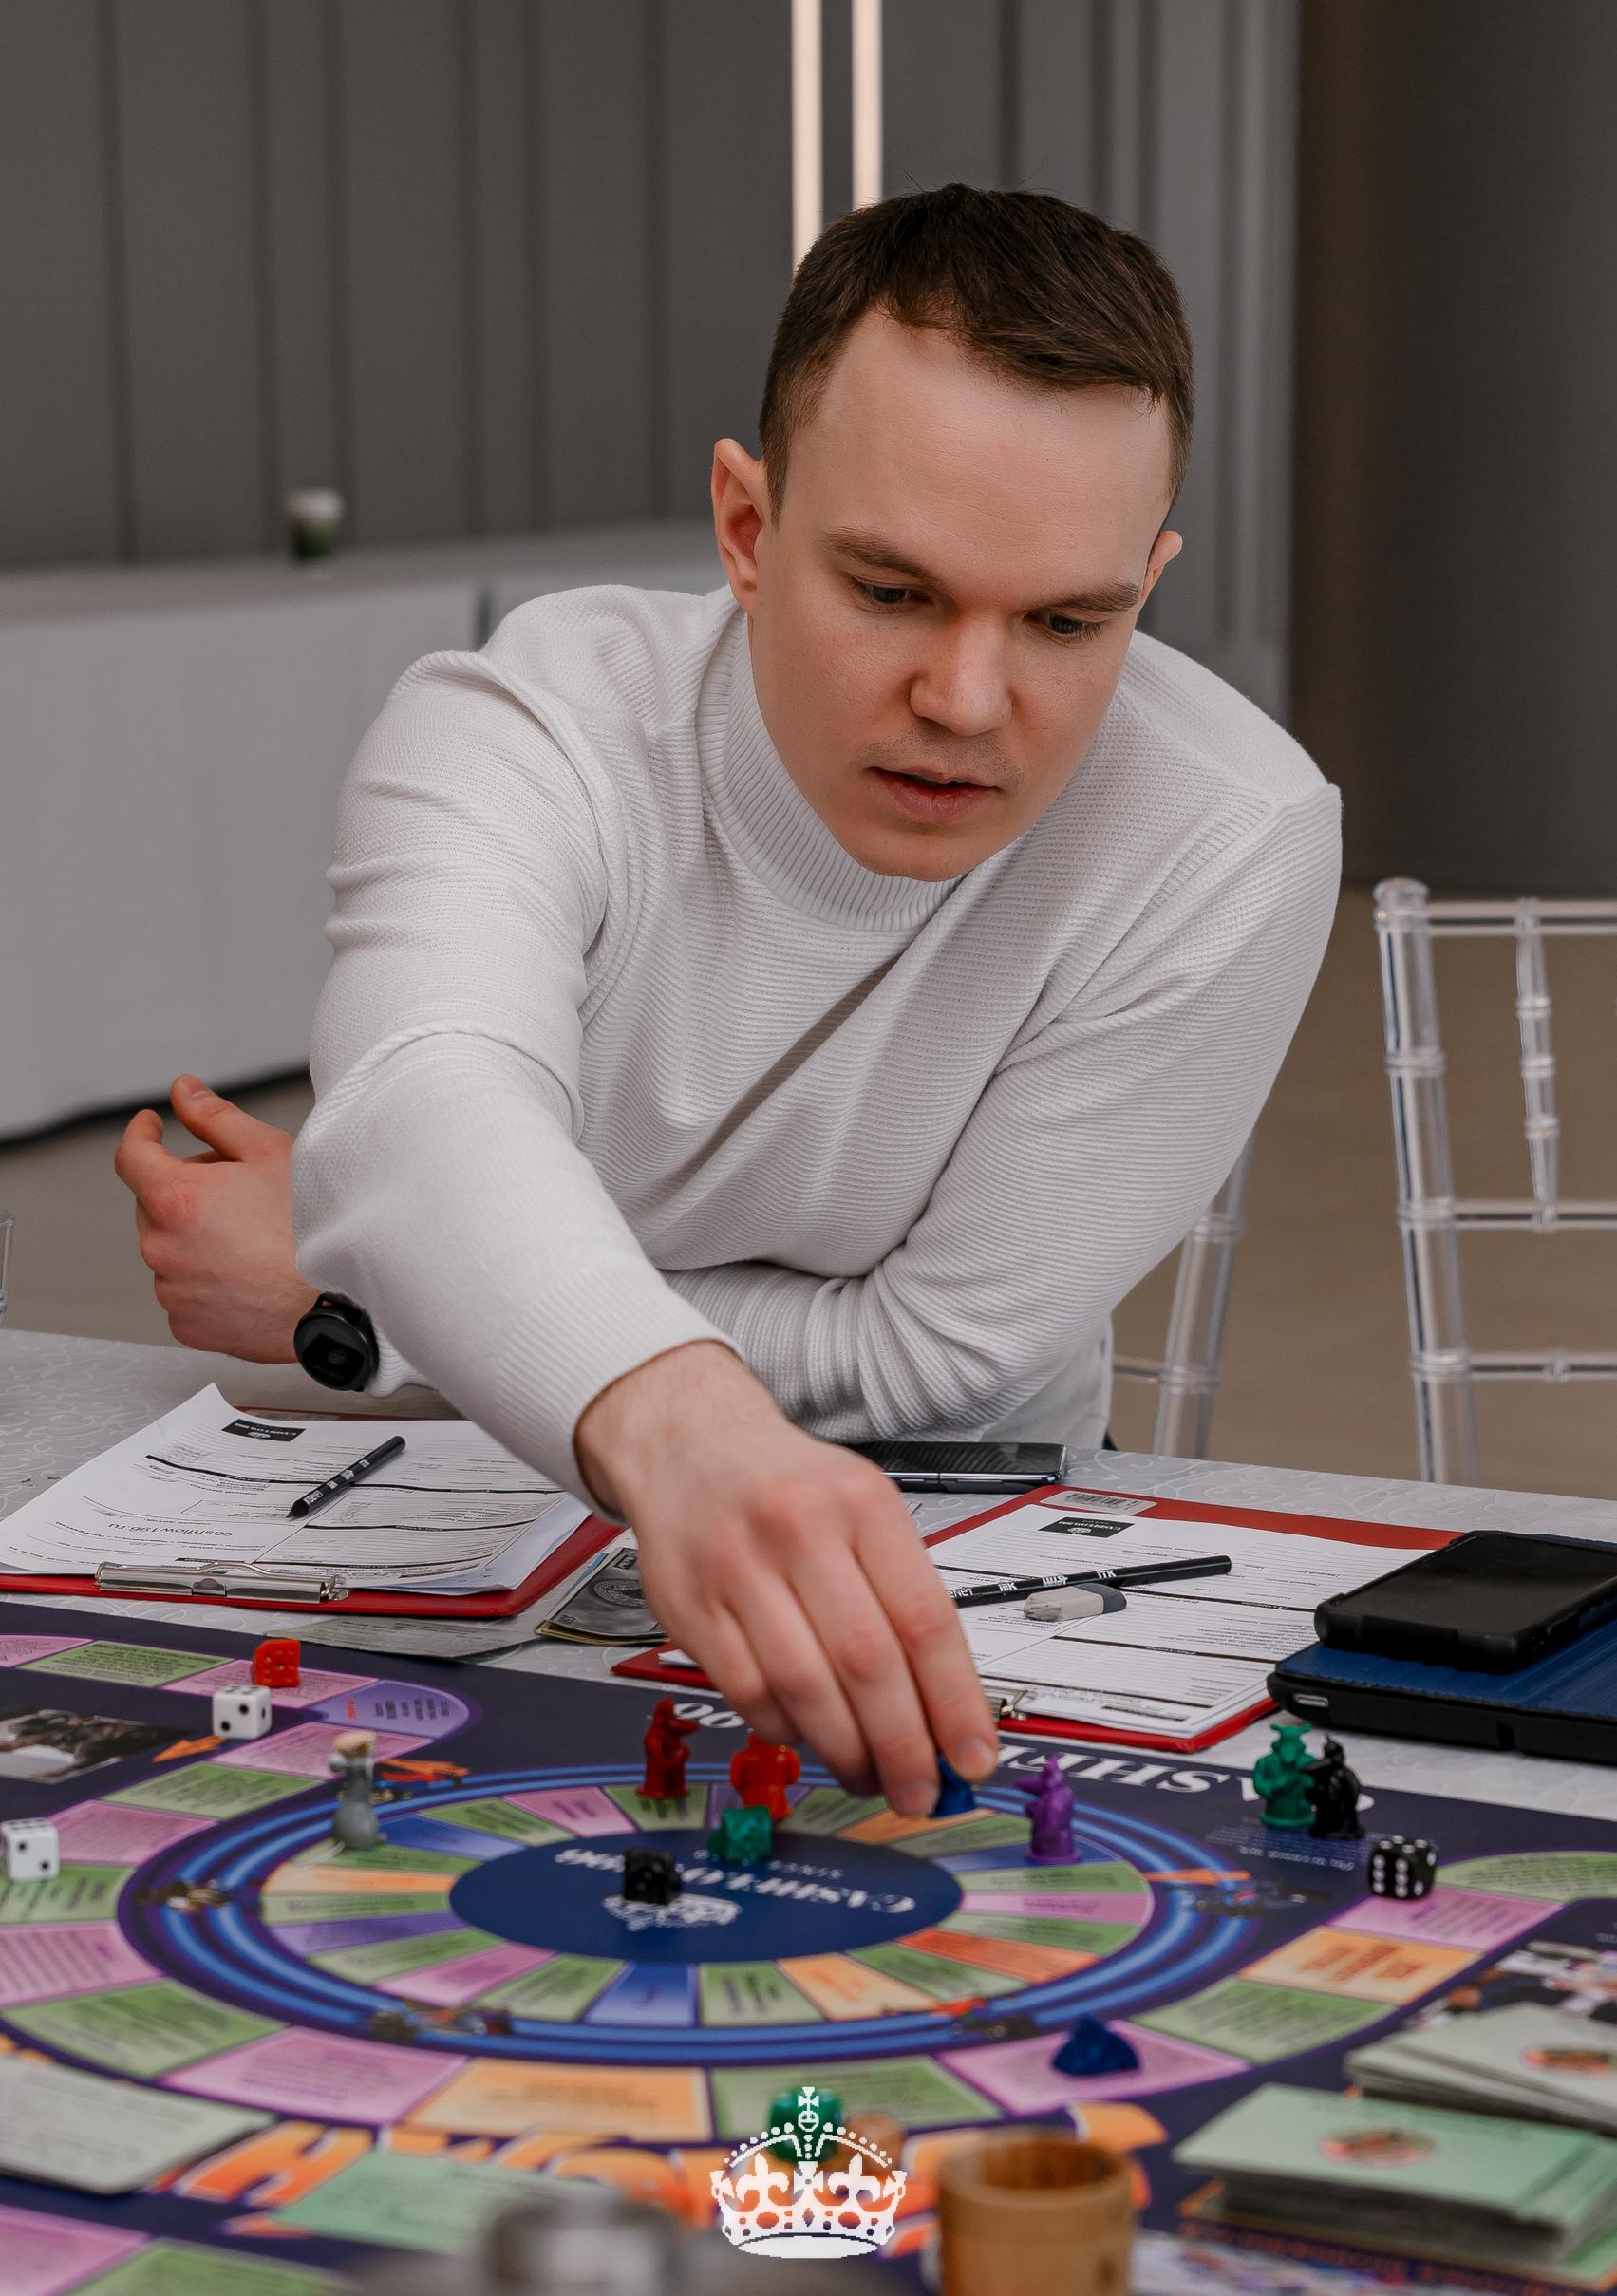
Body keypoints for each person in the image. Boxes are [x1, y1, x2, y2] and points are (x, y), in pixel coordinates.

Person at [114, 185, 1341, 1817]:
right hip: (461, 1516)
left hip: (970, 1544)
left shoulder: (1233, 831)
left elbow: (942, 1362)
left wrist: (378, 1293)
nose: (968, 701)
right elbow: (426, 1100)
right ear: (747, 531)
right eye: (892, 591)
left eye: (1068, 620)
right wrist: (641, 1398)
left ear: (1149, 581)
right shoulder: (526, 724)